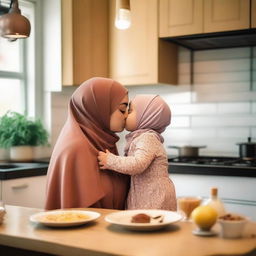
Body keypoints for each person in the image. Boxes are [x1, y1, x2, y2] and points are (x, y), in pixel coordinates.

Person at [45, 77, 130, 210]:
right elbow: (75, 213)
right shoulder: (75, 148)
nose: (126, 116)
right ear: (99, 108)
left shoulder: (102, 142)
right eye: (122, 109)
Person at [98, 95, 177, 211]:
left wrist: (110, 160)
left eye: (129, 111)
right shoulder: (142, 137)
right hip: (147, 193)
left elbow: (137, 164)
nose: (125, 115)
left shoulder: (147, 138)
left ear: (146, 117)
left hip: (154, 195)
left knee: (151, 225)